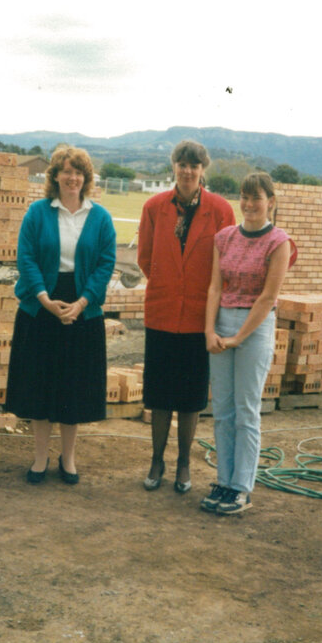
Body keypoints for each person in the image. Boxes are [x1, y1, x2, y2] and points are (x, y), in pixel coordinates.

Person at [5, 146, 116, 485]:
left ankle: (68, 458)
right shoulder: (37, 213)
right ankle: (40, 458)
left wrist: (82, 303)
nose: (72, 178)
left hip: (82, 308)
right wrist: (45, 299)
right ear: (54, 176)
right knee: (40, 386)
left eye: (78, 172)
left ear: (86, 178)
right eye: (66, 171)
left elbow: (105, 263)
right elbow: (26, 259)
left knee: (73, 388)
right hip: (41, 307)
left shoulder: (100, 217)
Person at [137, 140, 235, 494]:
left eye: (195, 165)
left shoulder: (221, 210)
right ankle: (156, 461)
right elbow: (146, 258)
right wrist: (170, 284)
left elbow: (224, 264)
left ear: (203, 170)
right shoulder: (154, 207)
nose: (188, 171)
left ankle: (183, 464)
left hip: (199, 317)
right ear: (174, 167)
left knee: (191, 397)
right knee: (160, 394)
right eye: (182, 164)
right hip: (162, 313)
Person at [201, 172, 297, 514]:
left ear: (270, 201)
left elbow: (268, 296)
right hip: (222, 322)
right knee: (222, 411)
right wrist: (210, 330)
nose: (249, 204)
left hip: (254, 329)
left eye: (256, 198)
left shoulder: (279, 242)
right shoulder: (224, 237)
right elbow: (215, 287)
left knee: (246, 411)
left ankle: (242, 487)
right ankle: (224, 482)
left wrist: (238, 338)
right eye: (244, 196)